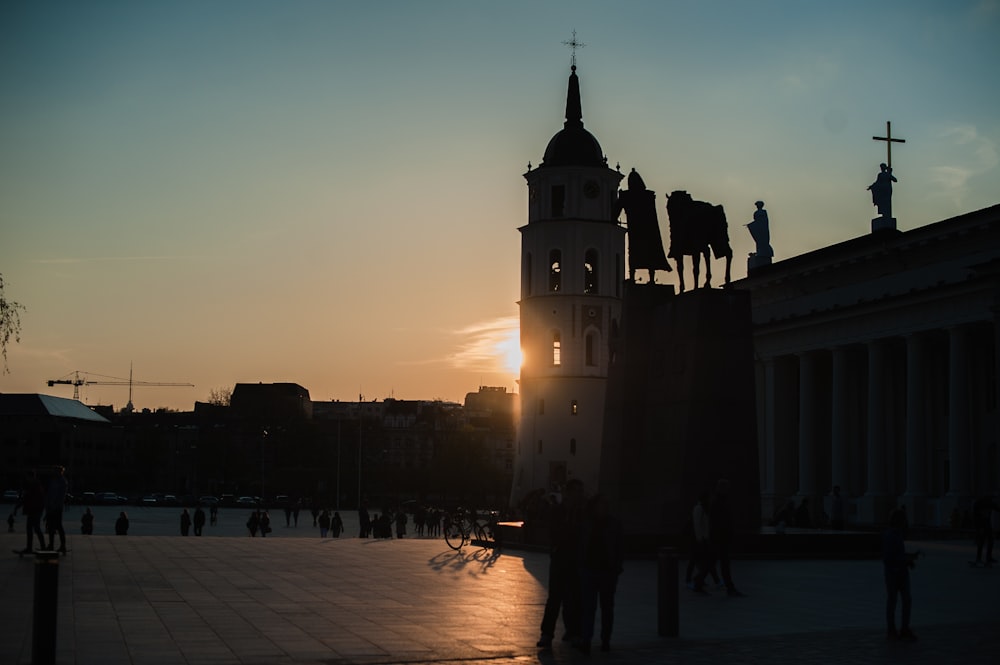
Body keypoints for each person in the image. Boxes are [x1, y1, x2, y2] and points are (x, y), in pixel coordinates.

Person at [536, 479, 585, 649]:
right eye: (577, 491)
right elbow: (554, 532)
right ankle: (547, 634)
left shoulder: (582, 512)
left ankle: (573, 632)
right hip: (561, 558)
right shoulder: (559, 511)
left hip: (576, 560)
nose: (579, 495)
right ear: (568, 493)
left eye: (581, 492)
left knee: (575, 598)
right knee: (555, 598)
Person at [577, 494, 624, 653]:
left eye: (605, 505)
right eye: (600, 505)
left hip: (607, 571)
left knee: (606, 608)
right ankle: (586, 639)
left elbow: (619, 547)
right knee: (588, 608)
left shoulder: (614, 524)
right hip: (589, 570)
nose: (603, 508)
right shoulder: (586, 523)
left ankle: (605, 639)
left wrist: (617, 567)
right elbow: (580, 544)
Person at [696, 479, 745, 596]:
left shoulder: (718, 501)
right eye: (726, 487)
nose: (728, 490)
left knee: (712, 563)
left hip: (718, 539)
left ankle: (698, 583)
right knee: (722, 564)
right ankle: (729, 587)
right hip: (720, 539)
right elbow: (719, 523)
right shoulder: (719, 502)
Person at [883, 508, 917, 641]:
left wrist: (909, 558)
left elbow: (897, 555)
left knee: (904, 600)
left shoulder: (897, 534)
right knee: (894, 601)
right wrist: (906, 561)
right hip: (893, 574)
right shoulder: (890, 535)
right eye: (904, 519)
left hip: (901, 572)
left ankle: (903, 628)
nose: (905, 522)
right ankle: (893, 630)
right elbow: (889, 557)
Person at [689, 491, 721, 592]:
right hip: (703, 540)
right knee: (707, 562)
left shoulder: (705, 508)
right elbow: (697, 525)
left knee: (706, 562)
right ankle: (700, 581)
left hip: (705, 539)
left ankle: (702, 580)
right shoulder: (699, 509)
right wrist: (700, 539)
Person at [16, 470, 46, 553]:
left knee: (35, 528)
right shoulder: (35, 485)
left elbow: (27, 498)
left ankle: (39, 547)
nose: (27, 479)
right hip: (34, 509)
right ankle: (32, 547)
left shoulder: (34, 486)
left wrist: (17, 507)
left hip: (35, 509)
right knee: (31, 528)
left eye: (27, 477)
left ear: (31, 477)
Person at [44, 466, 68, 553]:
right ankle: (51, 545)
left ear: (60, 472)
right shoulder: (53, 481)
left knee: (58, 526)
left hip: (57, 508)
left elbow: (61, 497)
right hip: (51, 507)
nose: (54, 473)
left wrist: (54, 506)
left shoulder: (62, 482)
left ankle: (62, 545)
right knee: (51, 527)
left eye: (56, 471)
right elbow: (49, 494)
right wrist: (47, 506)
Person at [972, 494, 998, 566]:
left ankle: (987, 557)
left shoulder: (989, 503)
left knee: (989, 541)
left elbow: (997, 508)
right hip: (981, 525)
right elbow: (975, 516)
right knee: (982, 541)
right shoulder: (980, 503)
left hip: (986, 524)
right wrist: (977, 528)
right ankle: (980, 558)